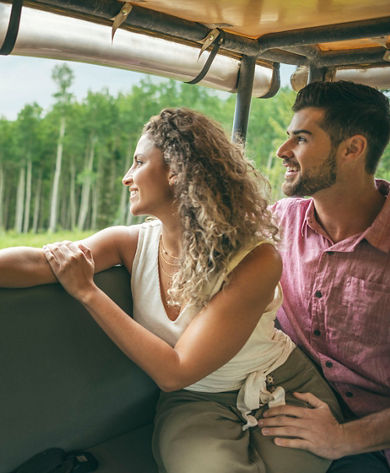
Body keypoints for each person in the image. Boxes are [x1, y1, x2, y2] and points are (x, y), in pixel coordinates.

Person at [0, 107, 343, 473]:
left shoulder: (255, 260)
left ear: (176, 172)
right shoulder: (127, 243)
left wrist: (88, 292)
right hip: (196, 402)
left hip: (283, 385)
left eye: (138, 162)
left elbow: (175, 370)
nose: (126, 178)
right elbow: (41, 263)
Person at [258, 81, 390, 473]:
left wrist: (344, 439)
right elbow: (198, 234)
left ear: (353, 149)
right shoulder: (280, 220)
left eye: (301, 139)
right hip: (292, 412)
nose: (283, 152)